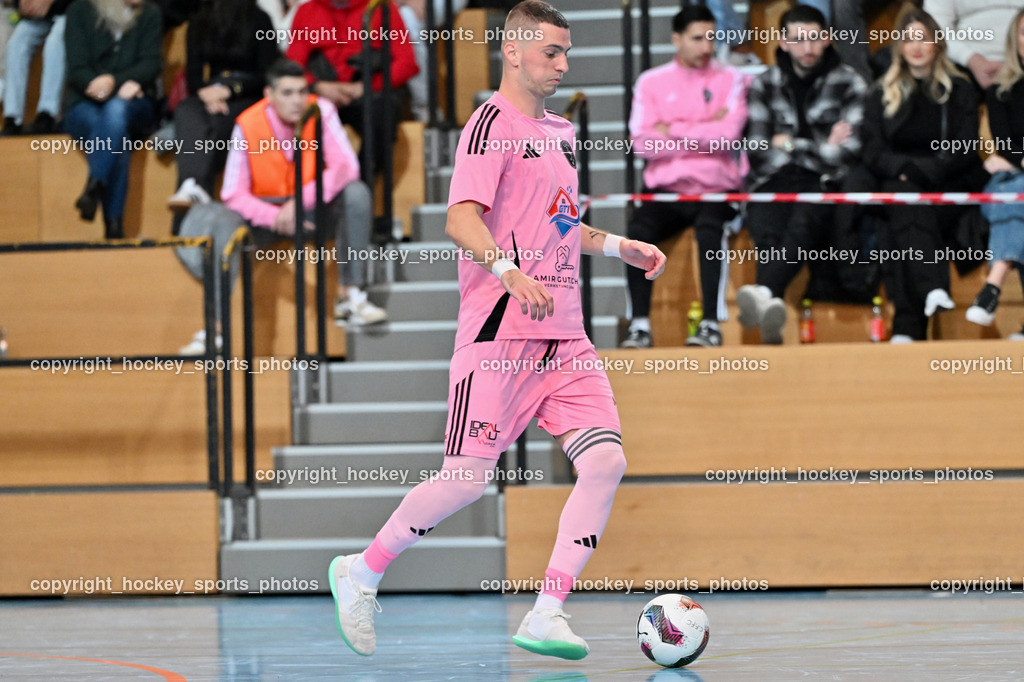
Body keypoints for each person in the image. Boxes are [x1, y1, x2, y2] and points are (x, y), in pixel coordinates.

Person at [327, 0, 665, 660]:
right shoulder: (489, 124)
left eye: (566, 53)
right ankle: (361, 571)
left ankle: (547, 613)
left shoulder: (561, 131)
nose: (562, 65)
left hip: (565, 337)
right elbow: (460, 218)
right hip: (499, 335)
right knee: (464, 480)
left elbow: (562, 222)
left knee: (605, 462)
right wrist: (508, 270)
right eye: (551, 52)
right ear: (513, 51)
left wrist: (617, 245)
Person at [176, 58, 385, 354]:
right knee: (222, 221)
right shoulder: (248, 123)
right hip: (263, 218)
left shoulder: (321, 111)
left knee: (356, 193)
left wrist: (299, 204)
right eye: (287, 93)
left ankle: (350, 296)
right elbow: (233, 193)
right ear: (269, 94)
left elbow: (346, 167)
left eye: (301, 91)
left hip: (310, 211)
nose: (297, 100)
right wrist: (275, 216)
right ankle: (216, 329)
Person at [738, 4, 867, 344]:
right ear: (783, 42)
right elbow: (757, 149)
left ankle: (765, 293)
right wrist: (820, 144)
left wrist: (790, 143)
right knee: (766, 229)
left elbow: (849, 153)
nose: (807, 47)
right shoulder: (764, 83)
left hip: (824, 180)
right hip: (772, 177)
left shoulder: (850, 83)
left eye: (814, 38)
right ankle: (771, 308)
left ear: (827, 39)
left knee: (804, 222)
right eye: (798, 39)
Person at [621, 4, 747, 349]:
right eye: (697, 38)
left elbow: (727, 137)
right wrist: (705, 128)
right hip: (666, 191)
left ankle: (711, 324)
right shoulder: (650, 82)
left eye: (711, 37)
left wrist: (671, 128)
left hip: (718, 190)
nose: (706, 46)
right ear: (676, 39)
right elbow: (642, 144)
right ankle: (639, 326)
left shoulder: (733, 78)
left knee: (710, 229)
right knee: (637, 233)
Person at [860, 6, 985, 342]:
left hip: (948, 186)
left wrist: (923, 171)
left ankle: (907, 324)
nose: (916, 47)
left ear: (937, 44)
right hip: (898, 184)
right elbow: (871, 151)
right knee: (903, 209)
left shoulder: (960, 90)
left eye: (923, 38)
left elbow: (965, 147)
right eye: (908, 39)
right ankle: (931, 291)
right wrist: (904, 169)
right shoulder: (880, 92)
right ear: (899, 47)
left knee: (903, 217)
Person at [286, 0, 418, 180]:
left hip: (368, 94)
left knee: (384, 114)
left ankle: (361, 185)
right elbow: (293, 66)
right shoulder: (307, 11)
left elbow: (407, 63)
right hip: (321, 95)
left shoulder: (381, 8)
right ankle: (310, 188)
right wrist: (317, 86)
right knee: (293, 113)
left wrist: (366, 86)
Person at [167, 0, 280, 210]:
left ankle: (192, 188)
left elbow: (267, 75)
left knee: (214, 125)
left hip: (247, 92)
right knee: (186, 111)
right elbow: (193, 75)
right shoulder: (200, 19)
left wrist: (230, 90)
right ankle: (192, 185)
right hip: (210, 91)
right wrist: (208, 95)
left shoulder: (260, 19)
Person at [63, 0, 161, 239]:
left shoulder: (150, 14)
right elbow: (77, 67)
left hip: (134, 104)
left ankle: (95, 183)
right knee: (116, 135)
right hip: (85, 101)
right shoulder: (80, 10)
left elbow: (151, 64)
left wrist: (113, 82)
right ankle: (113, 226)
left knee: (115, 112)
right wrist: (105, 87)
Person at [965, 8, 1024, 334]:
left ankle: (993, 285)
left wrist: (1014, 160)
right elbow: (1004, 143)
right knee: (1015, 196)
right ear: (1015, 40)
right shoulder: (1000, 89)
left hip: (1012, 177)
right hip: (1011, 181)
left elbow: (1009, 154)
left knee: (1017, 199)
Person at [0, 0, 70, 136]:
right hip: (39, 16)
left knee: (55, 42)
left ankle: (47, 114)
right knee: (16, 42)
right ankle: (12, 117)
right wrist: (21, 3)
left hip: (69, 11)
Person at [924, 0, 1019, 90]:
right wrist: (971, 59)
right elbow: (936, 29)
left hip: (1019, 59)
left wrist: (1014, 63)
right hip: (963, 63)